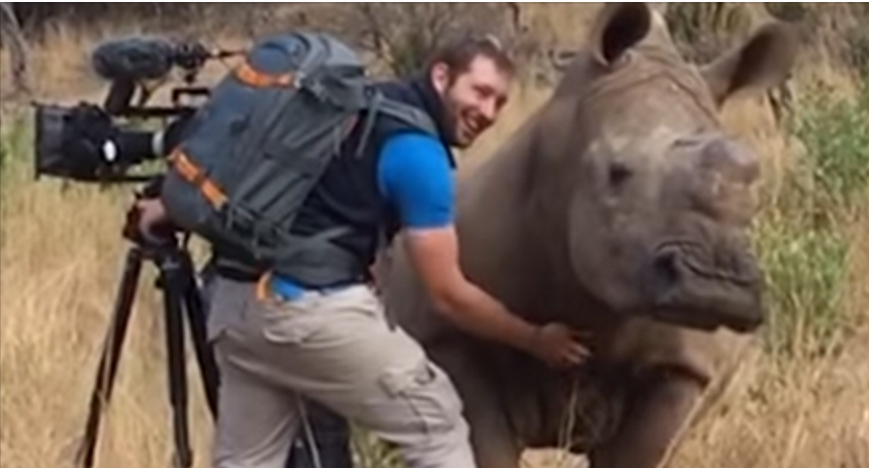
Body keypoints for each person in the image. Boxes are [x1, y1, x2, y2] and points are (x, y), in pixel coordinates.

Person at [142, 34, 592, 468]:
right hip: (308, 313)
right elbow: (447, 294)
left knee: (246, 460)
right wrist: (535, 339)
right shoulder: (418, 154)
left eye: (499, 102)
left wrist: (167, 206)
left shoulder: (349, 106)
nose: (487, 111)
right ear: (440, 76)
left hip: (235, 308)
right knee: (438, 424)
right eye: (480, 91)